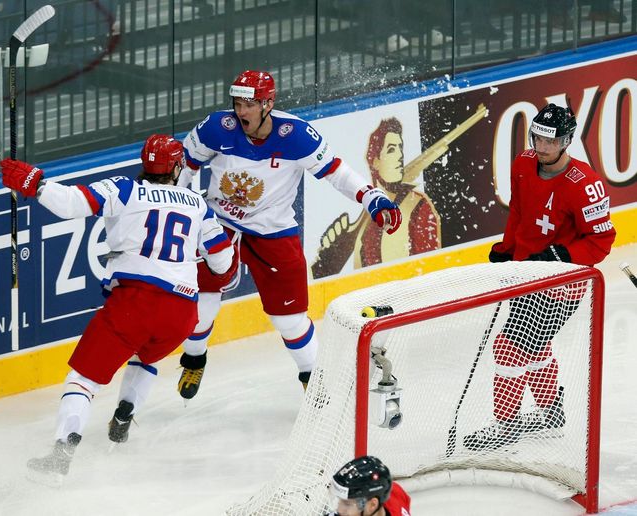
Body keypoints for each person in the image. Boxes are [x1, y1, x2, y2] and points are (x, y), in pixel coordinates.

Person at [1, 134, 234, 485]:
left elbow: (70, 204)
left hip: (134, 303)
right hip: (183, 310)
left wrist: (34, 181)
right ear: (175, 167)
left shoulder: (125, 189)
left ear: (145, 163)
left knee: (84, 380)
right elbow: (222, 261)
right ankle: (126, 412)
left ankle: (61, 454)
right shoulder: (195, 203)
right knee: (147, 356)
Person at [175, 70, 402, 399]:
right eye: (237, 103)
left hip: (273, 232)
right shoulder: (216, 127)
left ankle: (314, 379)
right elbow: (185, 165)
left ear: (268, 103)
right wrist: (184, 209)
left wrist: (370, 196)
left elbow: (336, 172)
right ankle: (194, 358)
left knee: (291, 320)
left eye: (249, 104)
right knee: (203, 302)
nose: (241, 111)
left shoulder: (295, 135)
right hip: (219, 223)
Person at [463, 104, 616, 451]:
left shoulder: (585, 185)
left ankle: (506, 424)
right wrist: (507, 250)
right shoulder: (522, 164)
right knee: (534, 345)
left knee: (509, 347)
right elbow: (519, 210)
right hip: (527, 275)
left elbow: (601, 240)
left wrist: (561, 256)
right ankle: (550, 413)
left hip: (562, 288)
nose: (542, 146)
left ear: (566, 141)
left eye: (550, 141)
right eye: (538, 137)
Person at [311, 117, 440, 279]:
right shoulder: (361, 227)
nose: (400, 155)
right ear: (375, 161)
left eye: (401, 148)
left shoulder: (418, 207)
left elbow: (432, 271)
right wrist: (329, 262)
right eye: (392, 149)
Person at [328, 455, 411, 516]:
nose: (340, 510)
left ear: (372, 505)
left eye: (347, 504)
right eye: (340, 501)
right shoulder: (395, 492)